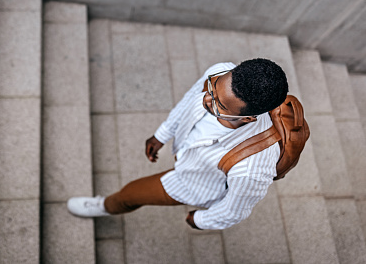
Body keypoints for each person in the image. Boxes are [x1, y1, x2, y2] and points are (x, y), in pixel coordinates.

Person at [67, 58, 289, 230]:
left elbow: (235, 210)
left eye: (218, 105)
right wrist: (162, 134)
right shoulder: (219, 72)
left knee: (131, 194)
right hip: (188, 154)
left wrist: (201, 219)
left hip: (195, 183)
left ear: (249, 118)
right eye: (213, 87)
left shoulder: (253, 168)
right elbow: (188, 101)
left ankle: (103, 206)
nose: (207, 99)